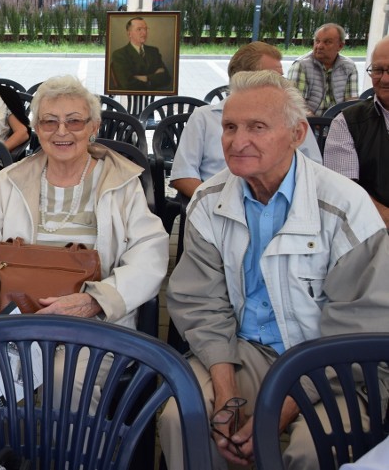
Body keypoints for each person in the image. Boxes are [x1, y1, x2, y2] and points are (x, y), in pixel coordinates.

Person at [160, 71, 388, 470]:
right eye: (230, 126)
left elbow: (358, 330)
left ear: (297, 134)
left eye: (257, 127)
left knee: (313, 447)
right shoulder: (208, 201)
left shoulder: (345, 207)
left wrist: (275, 411)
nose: (237, 140)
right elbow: (201, 303)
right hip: (247, 350)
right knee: (185, 417)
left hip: (337, 363)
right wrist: (227, 393)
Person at [0, 75, 169, 470]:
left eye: (74, 121)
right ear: (35, 128)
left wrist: (94, 300)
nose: (62, 131)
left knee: (68, 384)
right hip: (13, 318)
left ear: (94, 127)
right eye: (49, 122)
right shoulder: (10, 180)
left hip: (91, 321)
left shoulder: (121, 182)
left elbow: (151, 252)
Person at [171, 42, 323, 199]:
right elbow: (183, 174)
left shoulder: (293, 119)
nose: (282, 85)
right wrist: (214, 203)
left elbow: (314, 168)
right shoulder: (204, 118)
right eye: (272, 78)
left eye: (281, 78)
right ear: (243, 78)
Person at [324, 35, 389, 227]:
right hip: (370, 231)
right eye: (377, 70)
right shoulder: (347, 122)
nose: (385, 79)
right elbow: (345, 191)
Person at [288, 23, 358, 116]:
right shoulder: (301, 65)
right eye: (317, 41)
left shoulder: (349, 66)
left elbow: (351, 103)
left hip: (339, 123)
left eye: (327, 42)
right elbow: (296, 105)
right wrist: (317, 125)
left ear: (340, 46)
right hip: (309, 123)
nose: (319, 46)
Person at [109, 16, 173, 91]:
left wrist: (146, 78)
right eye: (139, 29)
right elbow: (127, 84)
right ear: (129, 34)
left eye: (145, 29)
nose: (144, 32)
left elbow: (166, 78)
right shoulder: (120, 54)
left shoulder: (154, 51)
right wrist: (154, 77)